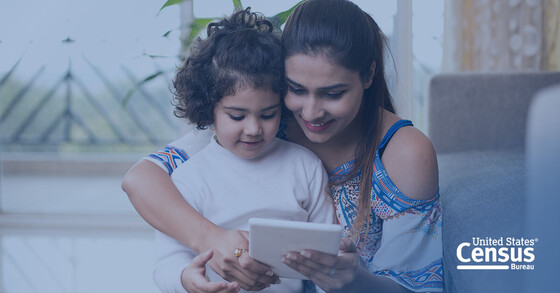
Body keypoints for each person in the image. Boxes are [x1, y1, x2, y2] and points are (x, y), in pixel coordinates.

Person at [122, 0, 443, 292]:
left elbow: (417, 287)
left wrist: (354, 281)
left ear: (369, 74)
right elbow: (139, 179)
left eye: (333, 93)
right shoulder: (265, 120)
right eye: (296, 89)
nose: (311, 112)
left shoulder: (402, 154)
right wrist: (214, 242)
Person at [150, 8, 336, 293]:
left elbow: (327, 258)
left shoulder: (305, 166)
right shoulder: (188, 179)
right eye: (237, 116)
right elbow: (167, 262)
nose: (253, 129)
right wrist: (186, 279)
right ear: (208, 109)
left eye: (268, 114)